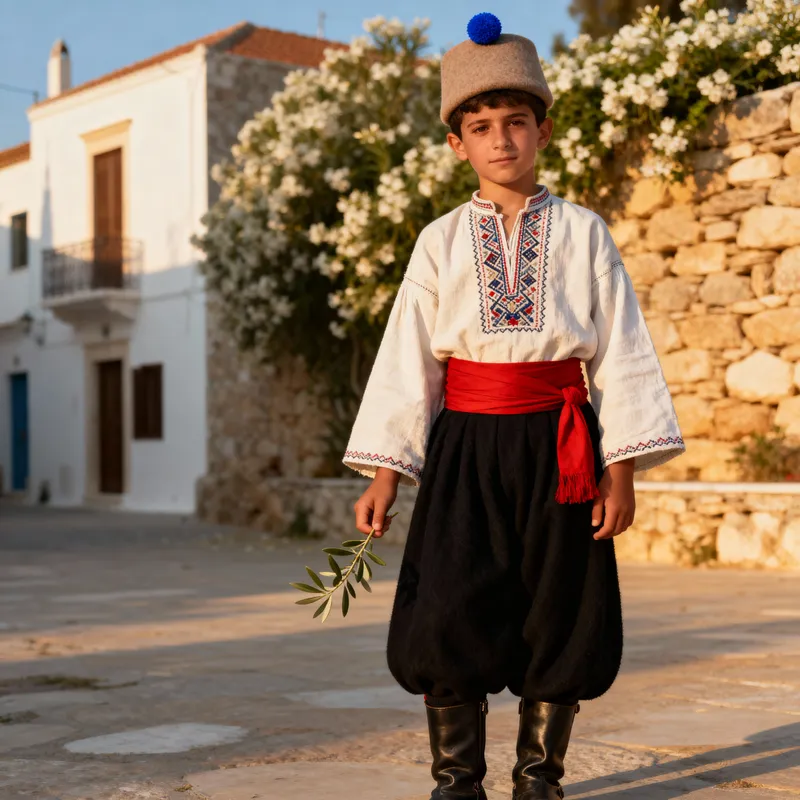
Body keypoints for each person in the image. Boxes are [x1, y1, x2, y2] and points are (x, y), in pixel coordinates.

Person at [342, 12, 685, 799]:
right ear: (457, 143)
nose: (501, 140)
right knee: (448, 606)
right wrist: (385, 475)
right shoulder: (439, 242)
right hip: (464, 450)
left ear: (544, 131)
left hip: (561, 449)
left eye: (516, 123)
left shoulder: (587, 235)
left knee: (558, 609)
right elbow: (408, 360)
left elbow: (622, 353)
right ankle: (456, 782)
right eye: (482, 126)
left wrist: (621, 470)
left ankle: (540, 781)